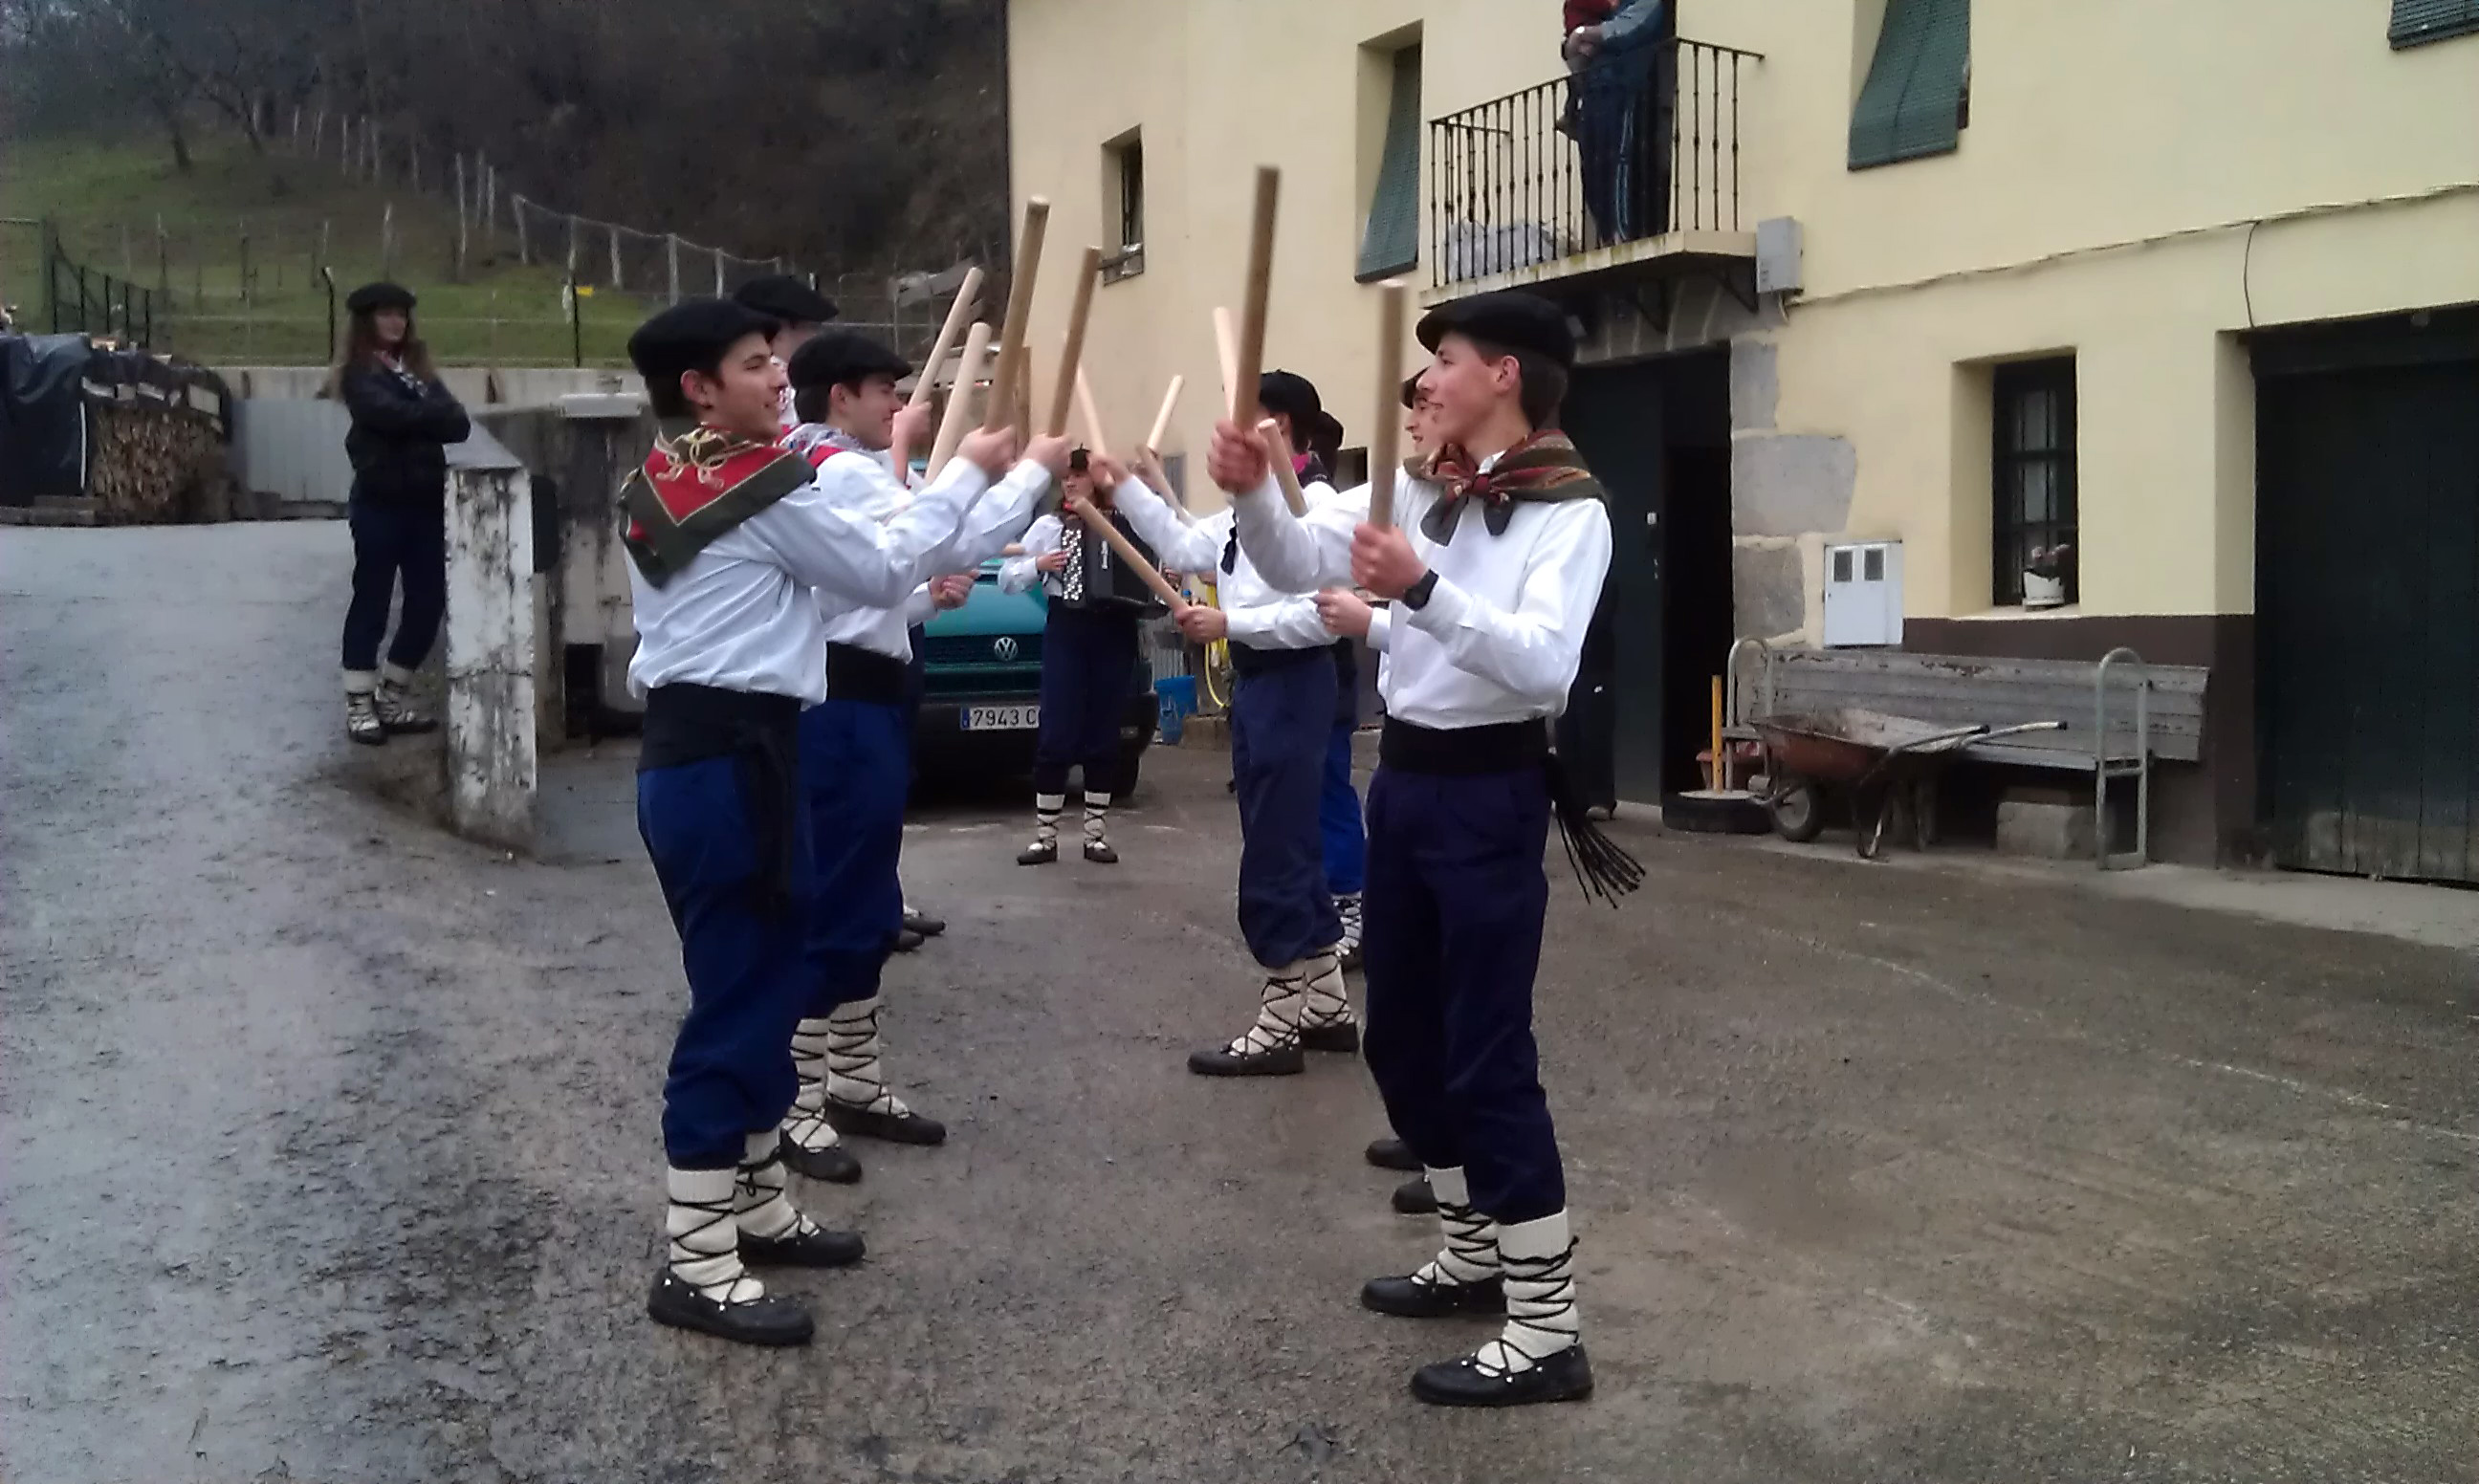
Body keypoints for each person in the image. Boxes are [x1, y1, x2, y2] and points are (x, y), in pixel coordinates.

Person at [1210, 290, 1639, 1408]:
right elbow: (1305, 557)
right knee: (1398, 1036)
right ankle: (1472, 1249)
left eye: (1443, 360)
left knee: (1486, 1052)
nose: (1426, 382)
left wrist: (1424, 590)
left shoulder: (1570, 510)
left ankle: (1548, 1330)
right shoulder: (1431, 487)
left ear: (1505, 374)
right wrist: (1254, 489)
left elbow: (1544, 668)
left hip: (1488, 793)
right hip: (1402, 782)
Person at [622, 297, 1020, 1346]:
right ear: (700, 389)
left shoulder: (672, 479)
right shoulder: (752, 488)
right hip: (729, 762)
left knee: (764, 974)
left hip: (718, 755)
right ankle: (698, 1259)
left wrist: (976, 482)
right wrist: (977, 467)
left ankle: (751, 1197)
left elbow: (880, 552)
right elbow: (886, 567)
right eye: (756, 365)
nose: (778, 376)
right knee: (739, 998)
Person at [775, 329, 1060, 1173]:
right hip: (839, 711)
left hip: (857, 698)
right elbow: (942, 540)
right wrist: (1030, 473)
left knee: (863, 899)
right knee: (834, 900)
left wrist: (922, 605)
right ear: (839, 398)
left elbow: (868, 599)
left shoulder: (818, 467)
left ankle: (851, 1080)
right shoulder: (837, 471)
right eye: (884, 394)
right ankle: (796, 1100)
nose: (899, 409)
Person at [1096, 372, 1359, 1077]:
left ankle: (1281, 1018)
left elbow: (1324, 611)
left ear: (1293, 431)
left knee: (1277, 845)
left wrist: (1230, 620)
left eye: (1257, 424)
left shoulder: (1323, 507)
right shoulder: (1249, 510)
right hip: (1259, 686)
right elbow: (1184, 546)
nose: (1237, 437)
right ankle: (1327, 1004)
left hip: (1298, 683)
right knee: (1284, 835)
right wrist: (1118, 487)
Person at [998, 449, 1166, 865]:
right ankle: (1045, 836)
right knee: (1057, 728)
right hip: (1067, 629)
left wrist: (1164, 579)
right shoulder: (1051, 526)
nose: (1069, 484)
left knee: (1105, 730)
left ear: (1097, 481)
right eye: (1066, 477)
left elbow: (1154, 571)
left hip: (1115, 629)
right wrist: (1038, 563)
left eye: (1078, 476)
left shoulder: (1126, 525)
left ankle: (1095, 834)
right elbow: (1006, 578)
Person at [330, 281, 470, 747]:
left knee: (427, 602)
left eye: (401, 314)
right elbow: (385, 416)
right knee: (371, 597)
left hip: (425, 503)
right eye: (386, 314)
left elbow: (460, 423)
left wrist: (419, 414)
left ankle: (393, 693)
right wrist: (427, 415)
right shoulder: (358, 373)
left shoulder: (419, 371)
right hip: (379, 503)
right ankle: (359, 701)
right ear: (367, 320)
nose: (396, 322)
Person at [731, 274, 839, 431]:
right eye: (808, 327)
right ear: (779, 329)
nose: (815, 336)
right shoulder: (782, 386)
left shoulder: (735, 377)